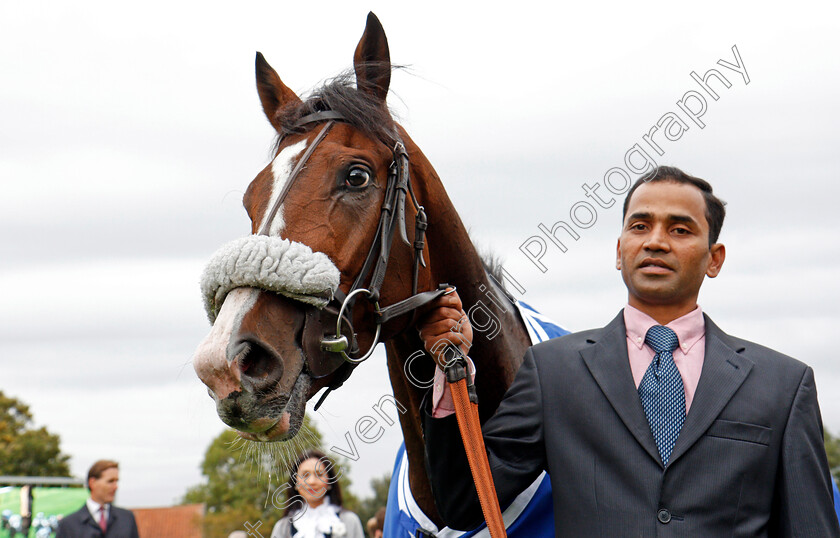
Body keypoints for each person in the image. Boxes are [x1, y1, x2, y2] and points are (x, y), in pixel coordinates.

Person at [419, 166, 840, 536]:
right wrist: (449, 373)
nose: (656, 241)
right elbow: (466, 504)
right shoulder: (553, 373)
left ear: (715, 259)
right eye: (640, 226)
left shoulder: (784, 386)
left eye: (680, 229)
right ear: (619, 252)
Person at [270, 449, 363, 538]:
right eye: (305, 475)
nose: (311, 482)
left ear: (329, 481)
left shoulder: (349, 521)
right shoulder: (282, 527)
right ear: (295, 483)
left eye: (319, 474)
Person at [56, 460, 139, 537]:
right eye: (110, 481)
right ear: (92, 482)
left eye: (116, 481)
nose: (115, 487)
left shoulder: (127, 519)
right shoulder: (68, 525)